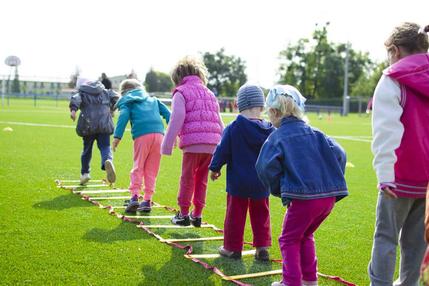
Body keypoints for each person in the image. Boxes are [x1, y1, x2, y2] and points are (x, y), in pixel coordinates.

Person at [255, 85, 348, 286]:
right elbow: (340, 154)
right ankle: (309, 280)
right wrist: (331, 181)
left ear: (273, 112)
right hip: (327, 200)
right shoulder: (317, 133)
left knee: (288, 239)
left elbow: (264, 167)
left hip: (304, 200)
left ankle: (290, 282)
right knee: (305, 235)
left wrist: (281, 189)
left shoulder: (277, 137)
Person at [368, 23, 429, 286]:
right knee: (417, 243)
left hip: (398, 176)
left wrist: (384, 174)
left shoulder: (392, 79)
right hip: (427, 183)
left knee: (386, 238)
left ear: (394, 50)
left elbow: (386, 131)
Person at [209, 84, 275, 261]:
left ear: (238, 105)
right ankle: (262, 247)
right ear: (262, 107)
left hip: (238, 181)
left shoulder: (233, 127)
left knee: (235, 215)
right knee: (261, 214)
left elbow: (222, 150)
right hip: (262, 181)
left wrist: (215, 168)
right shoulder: (270, 130)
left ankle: (232, 248)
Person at [161, 56, 224, 227]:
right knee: (201, 180)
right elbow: (219, 121)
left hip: (193, 144)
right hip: (212, 144)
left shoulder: (180, 93)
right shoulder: (210, 93)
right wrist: (223, 148)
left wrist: (167, 144)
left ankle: (183, 214)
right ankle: (197, 214)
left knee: (187, 178)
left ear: (178, 77)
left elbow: (177, 118)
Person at [112, 79, 170, 213]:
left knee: (138, 166)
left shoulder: (128, 101)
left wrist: (117, 137)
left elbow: (124, 116)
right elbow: (169, 114)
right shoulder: (153, 100)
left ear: (124, 92)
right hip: (159, 136)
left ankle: (134, 197)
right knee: (152, 169)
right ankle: (147, 200)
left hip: (142, 135)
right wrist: (174, 134)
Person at [69, 77, 119, 185]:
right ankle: (107, 160)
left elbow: (75, 99)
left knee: (87, 149)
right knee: (105, 146)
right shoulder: (104, 91)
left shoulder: (82, 93)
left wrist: (73, 111)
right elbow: (116, 97)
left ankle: (85, 173)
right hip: (104, 124)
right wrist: (112, 109)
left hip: (88, 126)